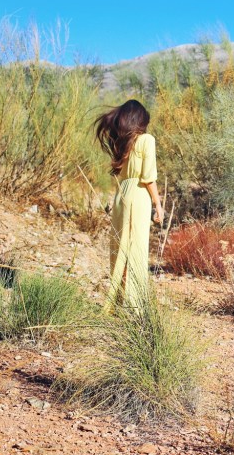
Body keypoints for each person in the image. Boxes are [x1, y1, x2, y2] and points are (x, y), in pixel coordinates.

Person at [94, 99, 164, 313]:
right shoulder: (146, 140)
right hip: (138, 196)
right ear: (140, 120)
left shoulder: (123, 142)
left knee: (119, 248)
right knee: (136, 249)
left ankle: (117, 302)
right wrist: (158, 205)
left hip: (121, 194)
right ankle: (134, 307)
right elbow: (148, 177)